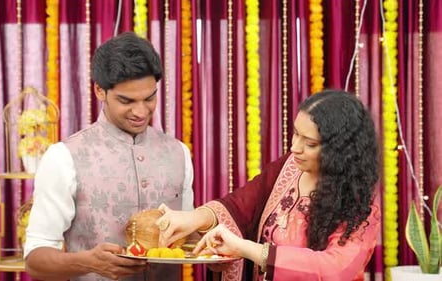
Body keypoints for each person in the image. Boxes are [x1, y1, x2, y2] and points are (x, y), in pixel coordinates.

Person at [157, 90, 380, 281]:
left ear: (339, 152)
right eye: (295, 134)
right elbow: (240, 206)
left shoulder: (360, 204)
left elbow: (334, 270)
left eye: (309, 143)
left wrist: (247, 249)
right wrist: (191, 219)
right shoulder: (288, 167)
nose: (295, 148)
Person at [24, 32, 194, 281]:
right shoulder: (63, 157)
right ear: (99, 91)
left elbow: (189, 239)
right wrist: (87, 262)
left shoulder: (179, 152)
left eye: (150, 98)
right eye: (126, 100)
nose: (140, 111)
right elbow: (35, 262)